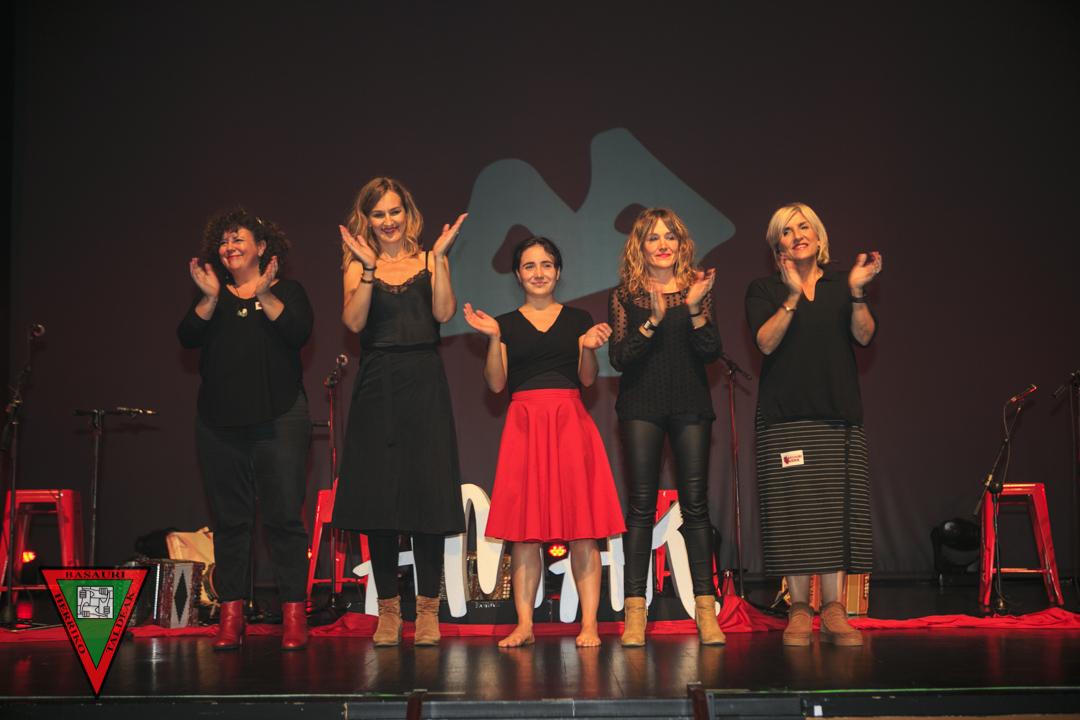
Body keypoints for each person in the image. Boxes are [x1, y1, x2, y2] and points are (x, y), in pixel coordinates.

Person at [464, 237, 626, 648]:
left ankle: (589, 624)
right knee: (525, 533)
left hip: (569, 422)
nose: (539, 272)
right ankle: (524, 625)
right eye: (530, 266)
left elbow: (587, 379)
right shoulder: (504, 323)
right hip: (524, 424)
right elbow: (496, 384)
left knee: (583, 530)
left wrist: (588, 348)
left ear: (558, 271)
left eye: (547, 264)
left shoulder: (578, 320)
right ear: (517, 275)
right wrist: (492, 339)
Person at [332, 177, 467, 647]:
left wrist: (441, 259)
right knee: (380, 500)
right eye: (379, 214)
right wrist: (369, 269)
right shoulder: (357, 264)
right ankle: (388, 611)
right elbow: (353, 322)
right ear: (367, 219)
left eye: (395, 212)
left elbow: (444, 313)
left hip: (424, 380)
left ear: (407, 213)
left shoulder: (430, 260)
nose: (388, 221)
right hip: (378, 383)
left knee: (428, 494)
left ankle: (428, 610)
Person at [744, 201, 882, 647]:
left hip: (837, 416)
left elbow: (864, 336)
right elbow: (765, 344)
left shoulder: (843, 285)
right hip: (785, 418)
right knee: (794, 515)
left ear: (819, 238)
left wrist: (857, 293)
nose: (797, 235)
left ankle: (835, 608)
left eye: (804, 227)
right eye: (787, 231)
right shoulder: (763, 289)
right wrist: (790, 297)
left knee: (836, 514)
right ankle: (800, 608)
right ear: (777, 246)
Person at [178, 207, 314, 651]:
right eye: (224, 241)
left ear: (261, 248)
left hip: (279, 419)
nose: (230, 247)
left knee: (284, 518)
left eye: (239, 239)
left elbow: (297, 331)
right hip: (219, 425)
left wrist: (265, 294)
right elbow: (187, 336)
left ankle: (294, 615)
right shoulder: (212, 296)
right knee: (231, 522)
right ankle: (231, 616)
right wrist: (209, 299)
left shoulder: (287, 291)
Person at [608, 208, 725, 647]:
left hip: (690, 404)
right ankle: (635, 613)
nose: (663, 244)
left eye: (670, 236)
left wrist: (693, 306)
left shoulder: (698, 289)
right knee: (641, 507)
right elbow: (620, 357)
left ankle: (705, 611)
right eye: (653, 237)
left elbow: (710, 351)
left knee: (696, 506)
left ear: (681, 244)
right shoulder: (626, 295)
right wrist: (653, 319)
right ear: (639, 246)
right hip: (641, 406)